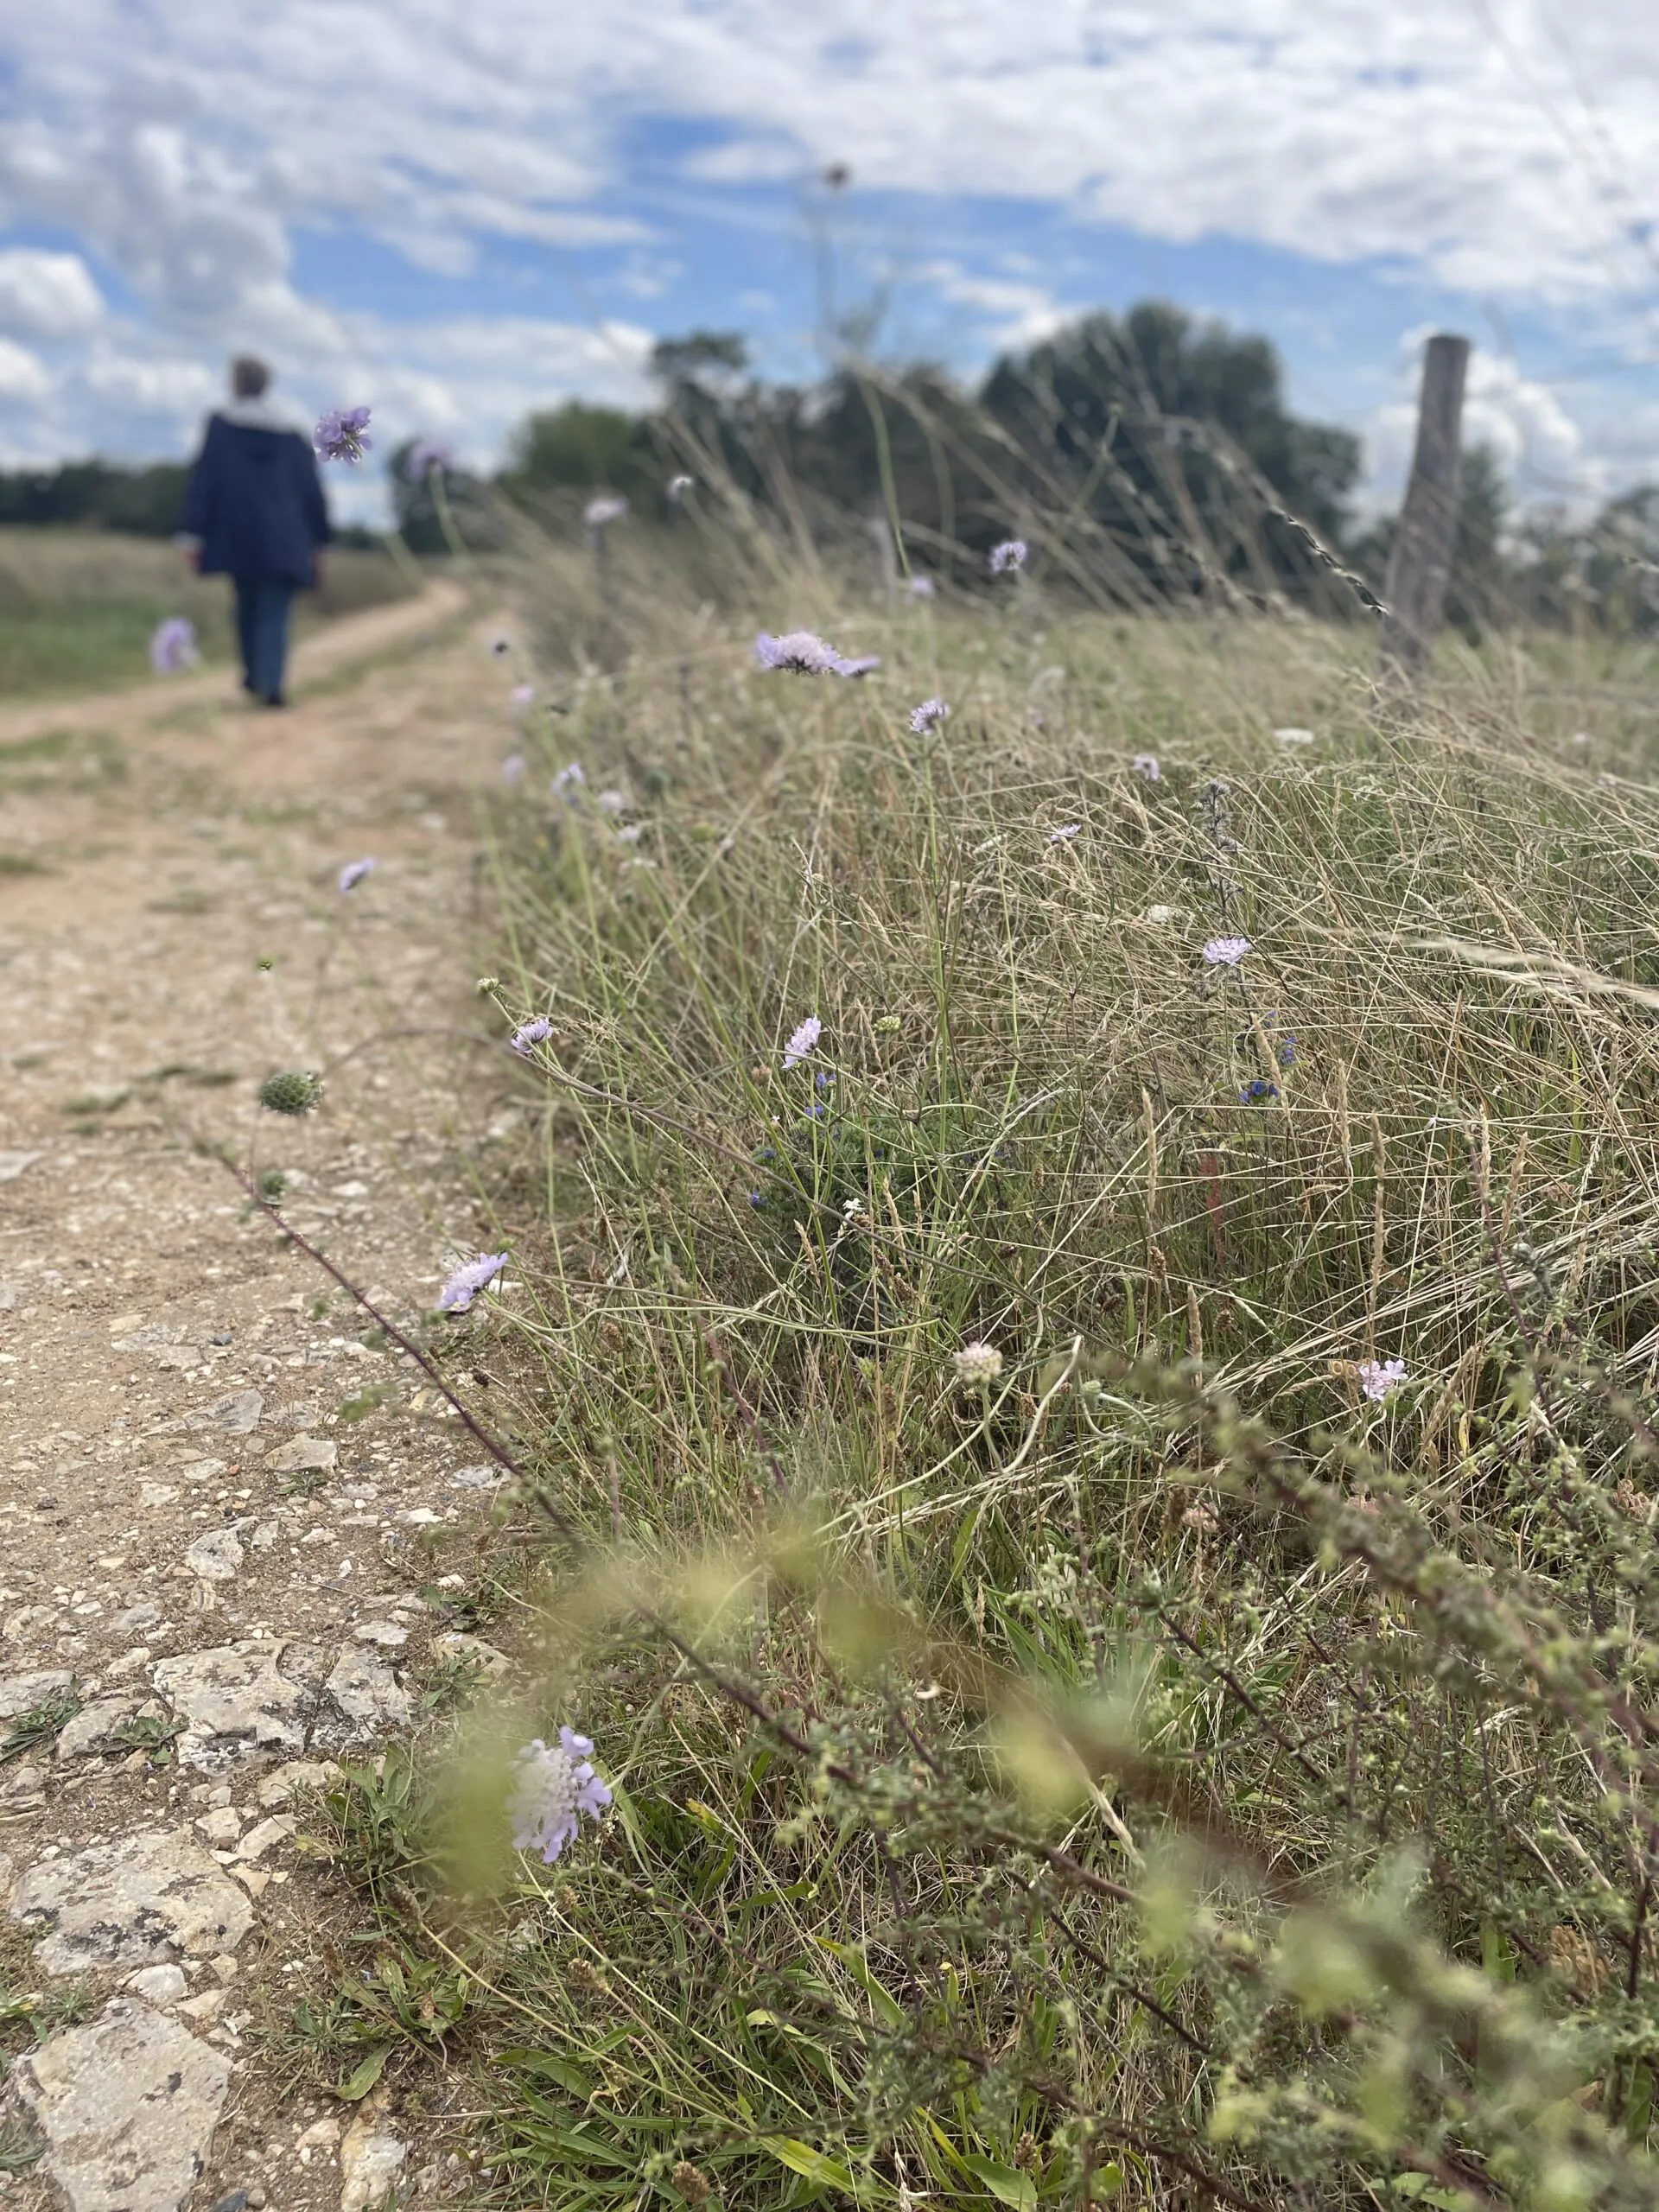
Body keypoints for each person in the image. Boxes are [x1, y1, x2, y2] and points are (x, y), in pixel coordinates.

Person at [180, 357, 329, 709]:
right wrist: (320, 541)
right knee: (275, 611)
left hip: (237, 535)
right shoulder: (293, 433)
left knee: (246, 605)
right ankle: (271, 684)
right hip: (287, 539)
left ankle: (254, 676)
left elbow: (205, 480)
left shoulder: (221, 426)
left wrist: (192, 533)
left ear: (236, 383)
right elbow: (312, 492)